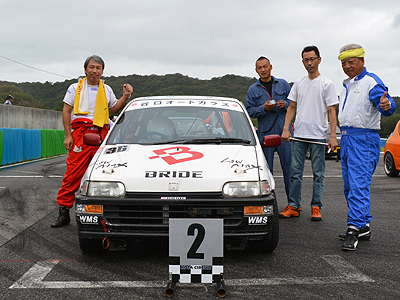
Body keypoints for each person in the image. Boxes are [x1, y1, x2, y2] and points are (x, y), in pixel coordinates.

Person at [51, 55, 133, 228]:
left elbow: (114, 109)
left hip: (101, 135)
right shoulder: (75, 88)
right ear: (85, 69)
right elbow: (66, 111)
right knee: (73, 174)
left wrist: (125, 96)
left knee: (105, 174)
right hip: (80, 135)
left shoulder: (107, 89)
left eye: (98, 68)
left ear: (102, 71)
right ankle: (63, 212)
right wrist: (68, 135)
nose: (95, 71)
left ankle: (105, 213)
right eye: (92, 67)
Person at [337, 44, 395, 250]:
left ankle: (354, 227)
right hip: (346, 138)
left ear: (362, 61)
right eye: (343, 63)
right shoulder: (347, 85)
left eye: (351, 62)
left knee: (358, 184)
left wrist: (387, 106)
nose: (347, 66)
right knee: (349, 185)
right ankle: (363, 226)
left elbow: (384, 103)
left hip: (364, 139)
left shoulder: (371, 82)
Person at [281, 45, 338, 221]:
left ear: (319, 60)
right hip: (299, 135)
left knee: (318, 174)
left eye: (312, 59)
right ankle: (294, 206)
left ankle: (316, 206)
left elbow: (331, 111)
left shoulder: (327, 84)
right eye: (306, 59)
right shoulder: (298, 83)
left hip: (318, 136)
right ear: (303, 62)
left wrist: (333, 136)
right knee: (295, 173)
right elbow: (291, 107)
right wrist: (286, 128)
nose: (309, 63)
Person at [246, 56, 292, 200]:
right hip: (265, 134)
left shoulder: (283, 84)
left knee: (289, 170)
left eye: (265, 66)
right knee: (266, 171)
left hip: (284, 131)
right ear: (256, 70)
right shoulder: (253, 90)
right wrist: (263, 108)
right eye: (259, 68)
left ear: (271, 67)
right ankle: (269, 202)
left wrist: (286, 103)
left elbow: (295, 102)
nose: (263, 70)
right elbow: (250, 111)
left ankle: (293, 203)